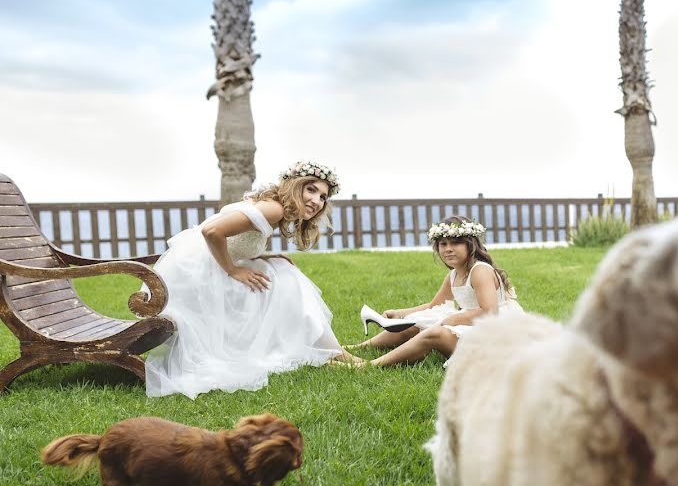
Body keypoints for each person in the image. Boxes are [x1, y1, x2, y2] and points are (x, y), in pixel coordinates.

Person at [144, 160, 360, 399]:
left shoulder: (276, 208)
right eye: (311, 190)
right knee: (289, 280)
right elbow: (212, 231)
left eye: (322, 197)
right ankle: (331, 352)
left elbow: (237, 243)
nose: (316, 201)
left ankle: (324, 349)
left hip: (203, 269)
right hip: (195, 279)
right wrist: (232, 271)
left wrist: (267, 257)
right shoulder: (273, 209)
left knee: (282, 270)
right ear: (295, 186)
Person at [344, 215, 523, 367]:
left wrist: (451, 319)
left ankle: (368, 365)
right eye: (443, 244)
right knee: (417, 322)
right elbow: (434, 305)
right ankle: (357, 347)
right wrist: (401, 313)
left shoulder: (480, 270)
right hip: (473, 324)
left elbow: (489, 312)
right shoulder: (454, 275)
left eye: (456, 243)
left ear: (471, 244)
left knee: (435, 331)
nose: (448, 249)